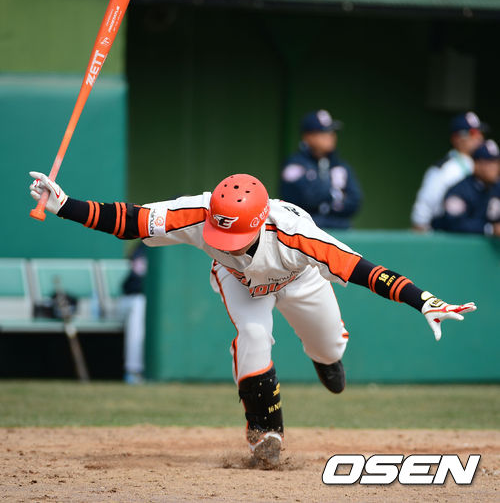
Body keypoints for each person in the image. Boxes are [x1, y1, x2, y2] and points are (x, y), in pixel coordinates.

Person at [29, 171, 476, 468]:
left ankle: (325, 359)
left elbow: (367, 271)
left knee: (329, 347)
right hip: (240, 281)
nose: (226, 238)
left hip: (298, 278)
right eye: (221, 231)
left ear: (260, 222)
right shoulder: (203, 212)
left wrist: (423, 301)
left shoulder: (298, 236)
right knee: (254, 333)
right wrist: (64, 204)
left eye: (237, 234)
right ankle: (264, 431)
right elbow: (132, 220)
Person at [280, 110, 362, 229]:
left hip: (340, 230)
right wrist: (336, 197)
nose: (330, 137)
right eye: (323, 132)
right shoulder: (294, 165)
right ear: (308, 137)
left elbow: (355, 202)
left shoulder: (340, 166)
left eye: (332, 132)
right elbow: (306, 200)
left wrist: (325, 201)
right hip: (305, 230)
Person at [411, 111, 487, 232]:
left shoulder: (486, 167)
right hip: (447, 232)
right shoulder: (444, 169)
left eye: (480, 132)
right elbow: (423, 211)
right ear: (456, 138)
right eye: (473, 133)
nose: (479, 138)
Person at [432, 140, 500, 236]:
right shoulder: (459, 191)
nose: (495, 168)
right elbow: (455, 225)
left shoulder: (497, 188)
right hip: (449, 243)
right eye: (489, 163)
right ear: (476, 165)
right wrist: (489, 229)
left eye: (497, 162)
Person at [120, 242, 148, 384]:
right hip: (130, 298)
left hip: (147, 301)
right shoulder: (144, 245)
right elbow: (136, 283)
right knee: (139, 304)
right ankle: (133, 370)